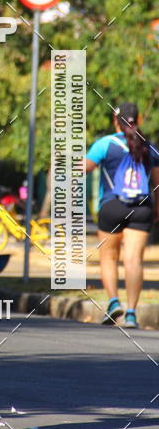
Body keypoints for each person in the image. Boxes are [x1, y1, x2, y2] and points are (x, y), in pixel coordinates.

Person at [86, 102, 159, 328]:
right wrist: (157, 210)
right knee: (133, 260)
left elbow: (84, 167)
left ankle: (113, 301)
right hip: (141, 208)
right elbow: (157, 183)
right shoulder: (150, 147)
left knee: (109, 257)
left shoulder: (105, 144)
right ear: (138, 120)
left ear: (115, 122)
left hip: (111, 207)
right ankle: (130, 314)